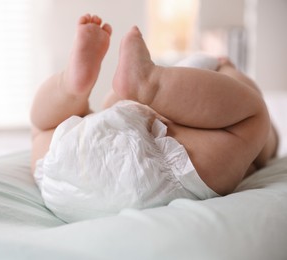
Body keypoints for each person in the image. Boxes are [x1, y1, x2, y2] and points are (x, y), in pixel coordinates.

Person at [30, 14, 278, 196]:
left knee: (44, 129)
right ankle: (149, 85)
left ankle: (71, 87)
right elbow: (251, 129)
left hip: (64, 176)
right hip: (169, 171)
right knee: (254, 117)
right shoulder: (250, 148)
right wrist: (226, 69)